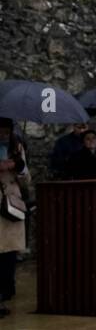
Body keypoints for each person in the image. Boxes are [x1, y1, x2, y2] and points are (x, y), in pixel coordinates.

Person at [0, 117, 30, 317]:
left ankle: (5, 293)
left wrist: (18, 168)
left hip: (11, 204)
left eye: (6, 132)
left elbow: (27, 180)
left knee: (9, 252)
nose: (3, 135)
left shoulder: (17, 149)